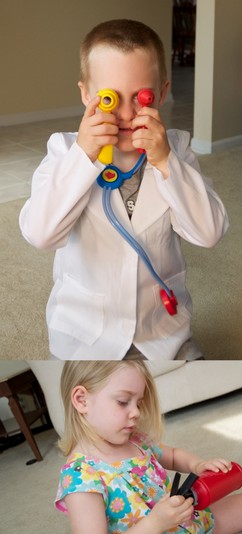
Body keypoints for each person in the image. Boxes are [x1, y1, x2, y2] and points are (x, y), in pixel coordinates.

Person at [19, 19, 228, 359]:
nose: (127, 114)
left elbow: (209, 233)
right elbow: (40, 234)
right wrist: (84, 157)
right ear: (86, 94)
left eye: (142, 97)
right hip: (85, 335)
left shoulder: (176, 151)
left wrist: (166, 162)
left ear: (162, 93)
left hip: (161, 329)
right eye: (109, 99)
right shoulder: (64, 152)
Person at [55, 361, 242, 533]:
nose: (136, 412)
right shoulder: (80, 477)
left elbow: (172, 455)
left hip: (188, 523)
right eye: (123, 401)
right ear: (82, 400)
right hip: (161, 525)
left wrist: (198, 465)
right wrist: (155, 524)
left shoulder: (135, 441)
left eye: (138, 403)